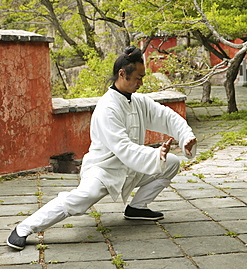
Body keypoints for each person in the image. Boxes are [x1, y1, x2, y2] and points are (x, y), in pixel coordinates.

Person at [7, 46, 197, 250]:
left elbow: (167, 116)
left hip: (131, 167)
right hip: (103, 170)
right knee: (80, 200)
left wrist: (186, 136)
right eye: (138, 78)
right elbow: (123, 147)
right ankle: (23, 228)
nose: (141, 83)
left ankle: (137, 208)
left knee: (172, 163)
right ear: (122, 74)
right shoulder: (107, 108)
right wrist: (154, 155)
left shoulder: (139, 101)